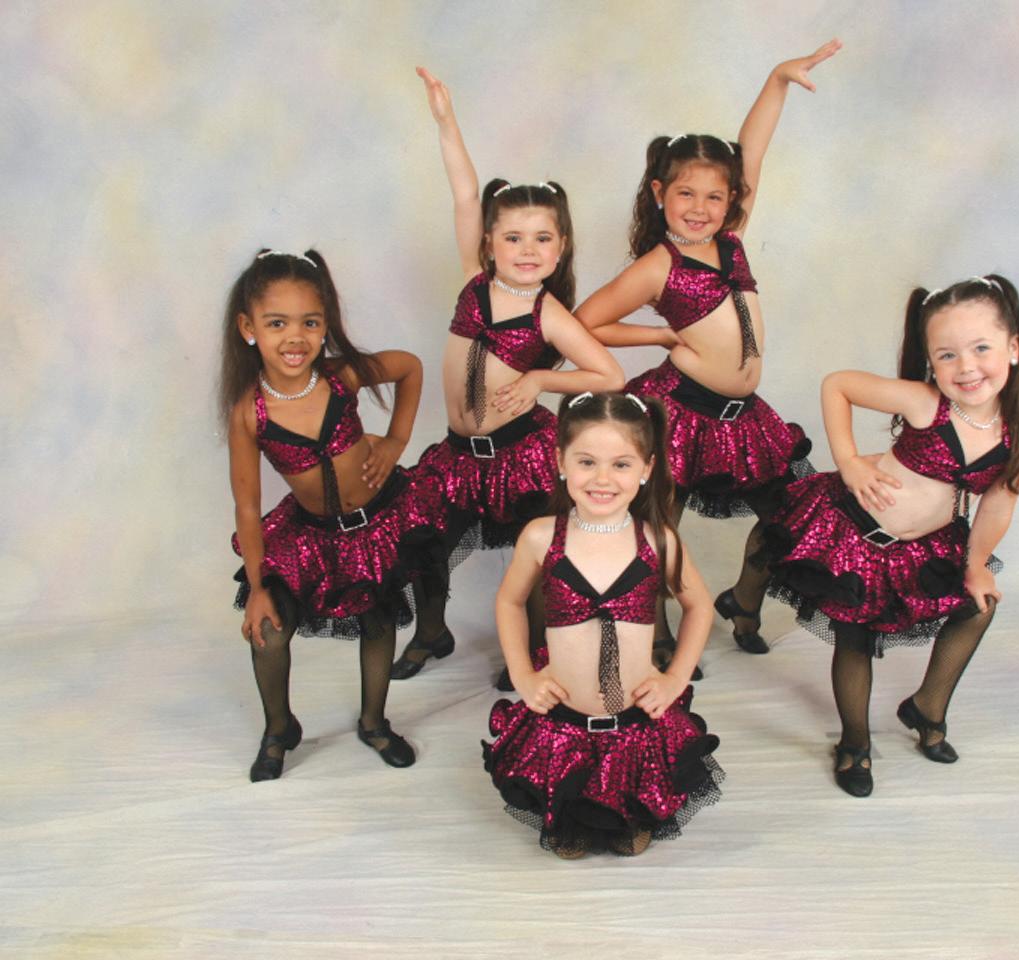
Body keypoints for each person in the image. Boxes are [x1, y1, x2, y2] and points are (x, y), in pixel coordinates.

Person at [576, 41, 842, 669]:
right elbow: (586, 322)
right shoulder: (658, 264)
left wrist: (776, 81)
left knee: (787, 514)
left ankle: (743, 601)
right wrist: (660, 338)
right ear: (660, 193)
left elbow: (753, 151)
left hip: (743, 415)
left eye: (714, 198)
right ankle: (659, 632)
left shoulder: (731, 240)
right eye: (686, 195)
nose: (700, 209)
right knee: (660, 523)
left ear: (730, 200)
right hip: (682, 411)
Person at [757, 275, 1019, 797]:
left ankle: (926, 707)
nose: (966, 367)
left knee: (978, 606)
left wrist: (976, 564)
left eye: (981, 348)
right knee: (854, 634)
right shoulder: (925, 402)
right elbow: (838, 385)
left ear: (1014, 348)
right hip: (858, 535)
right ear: (931, 363)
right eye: (947, 355)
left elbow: (999, 502)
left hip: (925, 548)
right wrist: (849, 462)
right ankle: (854, 743)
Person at [391, 67, 624, 682]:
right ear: (490, 243)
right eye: (514, 238)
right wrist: (446, 120)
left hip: (519, 454)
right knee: (426, 543)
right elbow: (465, 193)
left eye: (542, 239)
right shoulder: (475, 282)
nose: (527, 250)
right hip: (459, 453)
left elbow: (609, 374)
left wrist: (543, 381)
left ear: (561, 246)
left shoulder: (549, 313)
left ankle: (536, 652)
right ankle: (432, 631)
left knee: (537, 556)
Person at [223, 248, 433, 781]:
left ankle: (374, 722)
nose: (294, 338)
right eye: (277, 324)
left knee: (379, 618)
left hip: (377, 524)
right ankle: (279, 729)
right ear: (249, 328)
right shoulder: (250, 412)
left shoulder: (342, 377)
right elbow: (247, 506)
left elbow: (409, 367)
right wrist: (258, 586)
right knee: (268, 631)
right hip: (311, 537)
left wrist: (396, 441)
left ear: (325, 327)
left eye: (310, 323)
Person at [484, 392, 723, 858]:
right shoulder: (541, 536)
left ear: (646, 468)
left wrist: (675, 677)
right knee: (570, 835)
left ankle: (624, 806)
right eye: (587, 462)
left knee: (628, 839)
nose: (602, 479)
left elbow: (699, 607)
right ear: (561, 461)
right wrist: (522, 674)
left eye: (621, 464)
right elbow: (510, 601)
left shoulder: (658, 540)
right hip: (564, 725)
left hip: (634, 725)